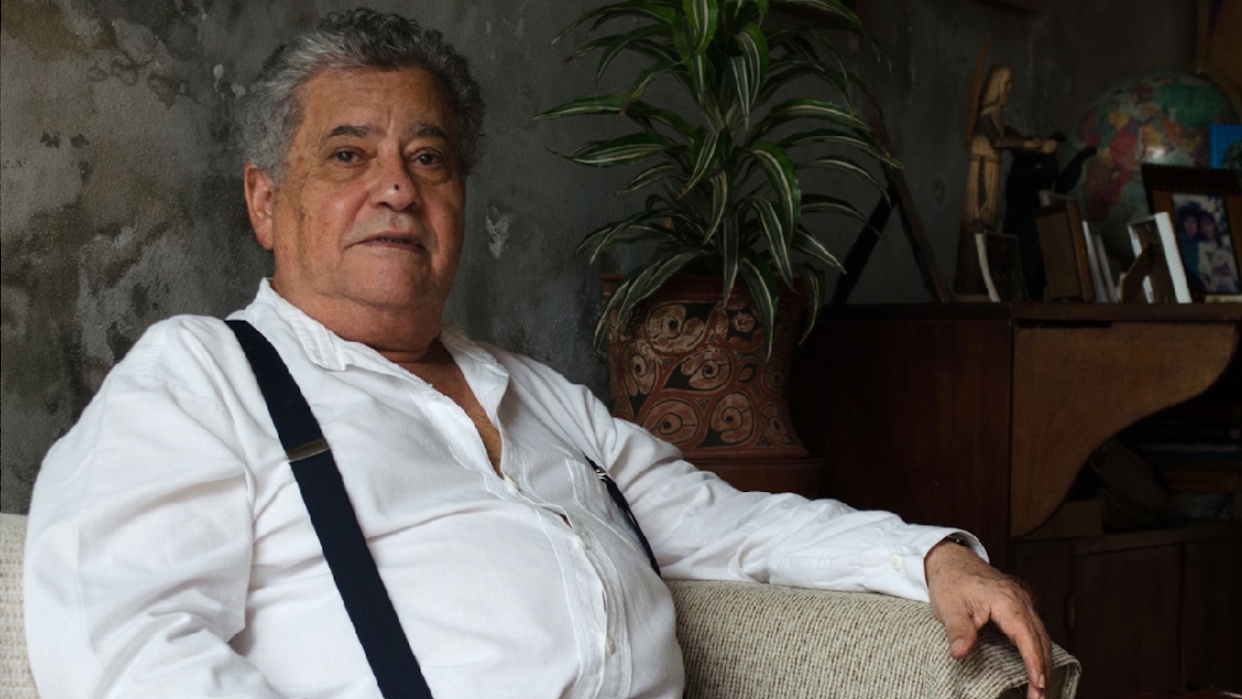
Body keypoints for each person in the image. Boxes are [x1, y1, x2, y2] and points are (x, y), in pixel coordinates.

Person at [23, 9, 1052, 699]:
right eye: (348, 155)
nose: (396, 187)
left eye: (428, 158)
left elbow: (722, 523)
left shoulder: (537, 396)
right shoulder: (200, 377)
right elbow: (124, 645)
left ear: (460, 200)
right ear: (264, 200)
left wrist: (931, 556)